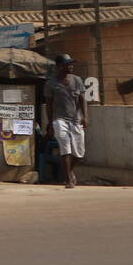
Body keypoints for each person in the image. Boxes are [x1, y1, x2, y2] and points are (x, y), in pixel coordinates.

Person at [46, 53, 88, 188]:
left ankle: (69, 171)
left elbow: (82, 99)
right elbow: (49, 104)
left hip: (76, 120)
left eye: (71, 64)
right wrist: (50, 123)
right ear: (59, 67)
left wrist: (85, 116)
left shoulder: (77, 80)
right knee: (65, 148)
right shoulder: (51, 83)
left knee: (79, 154)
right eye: (67, 64)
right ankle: (68, 180)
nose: (71, 66)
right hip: (59, 120)